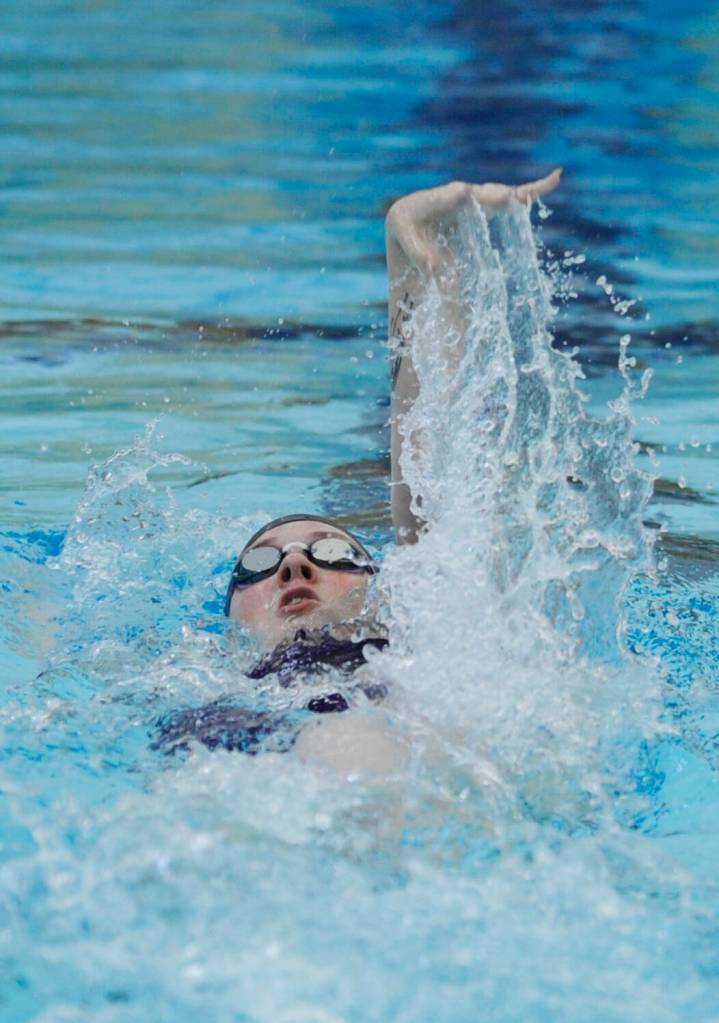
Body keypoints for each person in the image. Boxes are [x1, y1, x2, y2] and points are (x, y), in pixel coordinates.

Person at [153, 170, 562, 771]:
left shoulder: (417, 647)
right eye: (260, 564)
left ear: (383, 588)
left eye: (330, 552)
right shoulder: (186, 684)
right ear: (229, 619)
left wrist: (409, 245)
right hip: (233, 751)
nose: (295, 563)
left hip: (381, 747)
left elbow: (431, 474)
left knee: (347, 741)